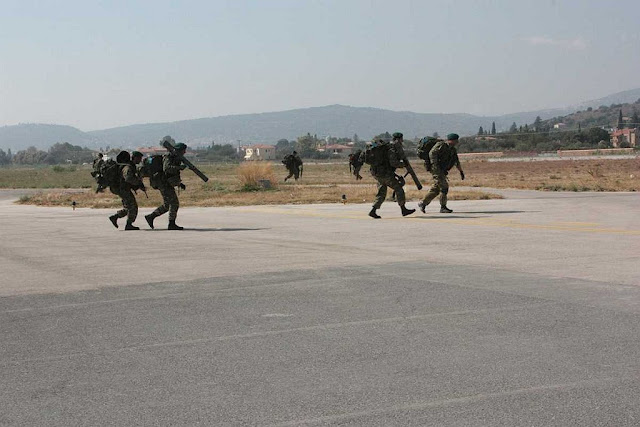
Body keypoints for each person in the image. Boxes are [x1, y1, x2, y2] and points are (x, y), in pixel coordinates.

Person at [364, 132, 415, 219]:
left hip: (377, 173)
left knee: (382, 192)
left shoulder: (385, 148)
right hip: (384, 174)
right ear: (399, 139)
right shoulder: (391, 149)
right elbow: (393, 163)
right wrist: (403, 164)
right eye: (402, 139)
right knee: (399, 189)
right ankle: (403, 210)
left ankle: (373, 211)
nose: (402, 140)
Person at [145, 142, 188, 230]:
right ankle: (171, 224)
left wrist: (179, 184)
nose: (184, 152)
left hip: (166, 183)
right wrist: (179, 168)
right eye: (184, 150)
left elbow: (171, 174)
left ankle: (151, 216)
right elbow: (167, 169)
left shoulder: (175, 157)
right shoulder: (168, 157)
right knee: (174, 203)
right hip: (163, 183)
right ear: (180, 150)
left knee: (167, 204)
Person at [418, 133, 465, 214]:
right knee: (444, 187)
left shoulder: (452, 150)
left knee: (436, 189)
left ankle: (423, 203)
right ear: (452, 140)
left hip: (442, 170)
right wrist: (435, 166)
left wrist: (461, 171)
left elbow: (456, 162)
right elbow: (432, 153)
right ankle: (443, 207)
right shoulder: (441, 145)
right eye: (456, 140)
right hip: (436, 170)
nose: (457, 142)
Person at [108, 151, 145, 230]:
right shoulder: (127, 167)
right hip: (123, 189)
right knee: (133, 206)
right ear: (135, 158)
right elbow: (128, 178)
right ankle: (129, 224)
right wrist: (138, 182)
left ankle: (115, 217)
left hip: (122, 188)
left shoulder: (130, 166)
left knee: (128, 207)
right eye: (139, 158)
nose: (140, 160)